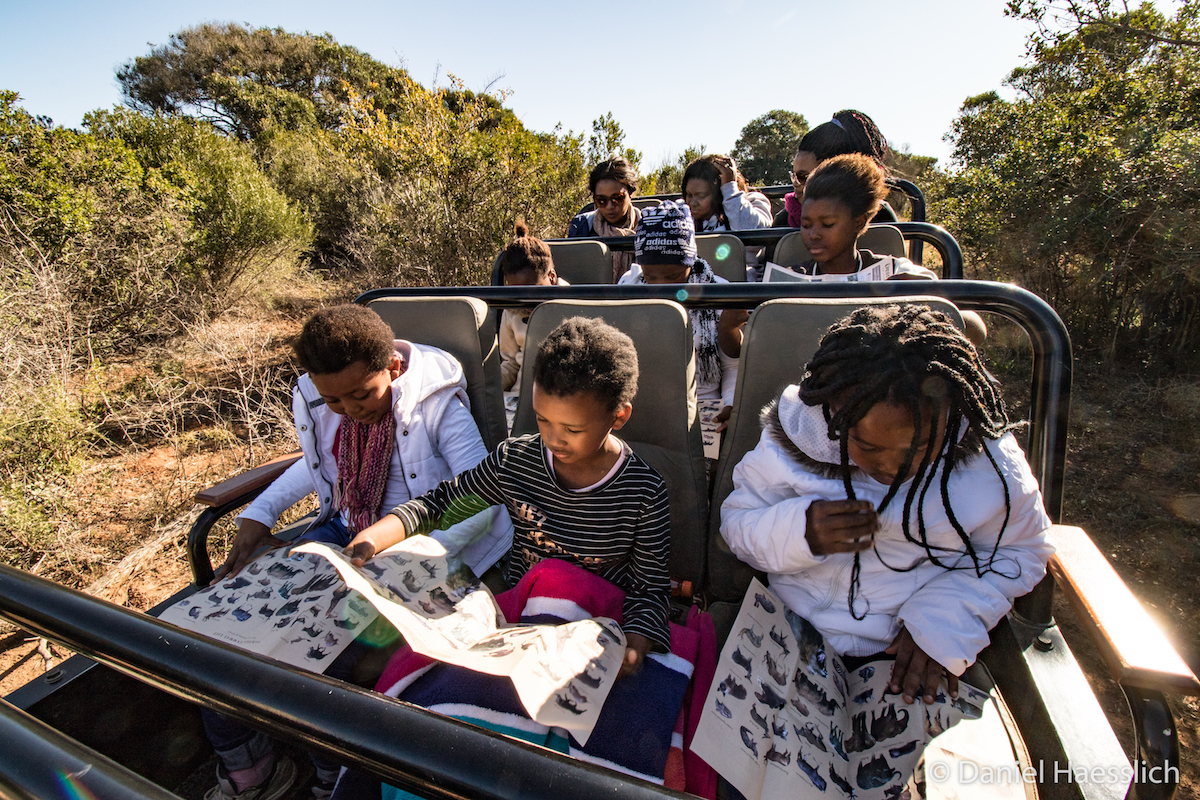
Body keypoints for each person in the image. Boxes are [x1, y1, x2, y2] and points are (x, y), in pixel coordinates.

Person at [719, 305, 1053, 782]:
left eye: (918, 447)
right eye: (867, 446)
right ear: (834, 415)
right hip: (790, 628)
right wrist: (801, 530)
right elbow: (737, 523)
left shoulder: (987, 464)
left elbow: (1023, 550)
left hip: (911, 648)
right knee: (751, 777)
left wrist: (943, 622)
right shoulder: (796, 437)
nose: (893, 466)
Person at [204, 304, 512, 800]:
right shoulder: (325, 406)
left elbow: (482, 499)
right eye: (333, 400)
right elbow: (317, 464)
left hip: (424, 548)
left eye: (360, 394)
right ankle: (252, 770)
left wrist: (406, 554)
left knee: (323, 656)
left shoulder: (436, 407)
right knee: (225, 634)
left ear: (392, 367)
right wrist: (260, 514)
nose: (349, 409)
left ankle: (334, 776)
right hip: (344, 533)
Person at [346, 316, 671, 674]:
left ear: (619, 417)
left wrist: (634, 648)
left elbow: (649, 591)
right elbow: (442, 504)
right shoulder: (516, 461)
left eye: (572, 429)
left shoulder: (644, 492)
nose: (553, 438)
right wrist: (373, 537)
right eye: (542, 419)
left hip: (595, 623)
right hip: (523, 611)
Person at [788, 153, 987, 344]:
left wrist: (926, 299)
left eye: (828, 224)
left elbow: (975, 328)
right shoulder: (787, 281)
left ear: (859, 223)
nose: (813, 234)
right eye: (806, 225)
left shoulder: (897, 271)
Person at [618, 200, 741, 426]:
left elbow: (731, 366)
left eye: (673, 276)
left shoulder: (718, 292)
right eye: (651, 277)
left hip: (704, 407)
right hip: (644, 406)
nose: (661, 287)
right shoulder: (629, 288)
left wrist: (730, 403)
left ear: (690, 261)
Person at [774, 109, 897, 228]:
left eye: (806, 177)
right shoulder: (783, 222)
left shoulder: (880, 216)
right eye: (794, 176)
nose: (796, 184)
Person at [498, 221, 568, 392]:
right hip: (520, 396)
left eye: (534, 291)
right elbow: (510, 363)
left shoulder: (572, 306)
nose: (526, 302)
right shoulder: (511, 312)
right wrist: (489, 391)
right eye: (518, 294)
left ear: (551, 278)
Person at [567, 156, 642, 281]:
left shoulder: (649, 226)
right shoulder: (582, 228)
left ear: (630, 193)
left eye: (617, 198)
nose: (609, 206)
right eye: (601, 200)